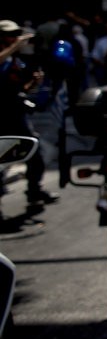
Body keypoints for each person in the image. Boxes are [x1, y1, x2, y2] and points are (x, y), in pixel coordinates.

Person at [0, 20, 60, 217]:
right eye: (10, 35)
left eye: (16, 34)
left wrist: (33, 83)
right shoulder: (6, 55)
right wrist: (14, 46)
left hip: (16, 114)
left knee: (34, 152)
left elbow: (19, 88)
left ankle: (34, 191)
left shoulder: (16, 61)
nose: (14, 38)